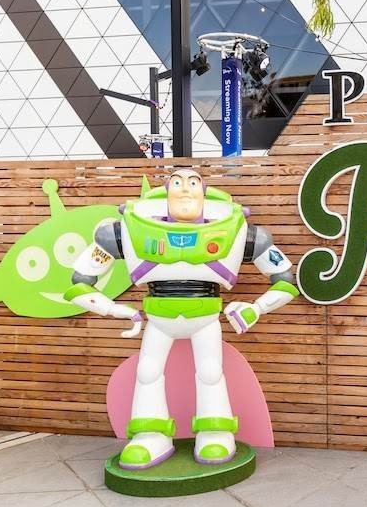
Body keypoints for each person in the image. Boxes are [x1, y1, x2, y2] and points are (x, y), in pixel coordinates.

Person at [64, 170, 297, 469]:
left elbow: (285, 281)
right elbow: (80, 282)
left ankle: (216, 431)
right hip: (158, 317)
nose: (184, 190)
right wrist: (113, 309)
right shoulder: (125, 230)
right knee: (147, 371)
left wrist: (257, 308)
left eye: (192, 183)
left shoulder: (241, 231)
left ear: (204, 193)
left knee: (211, 371)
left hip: (206, 317)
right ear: (166, 192)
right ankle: (150, 434)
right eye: (177, 183)